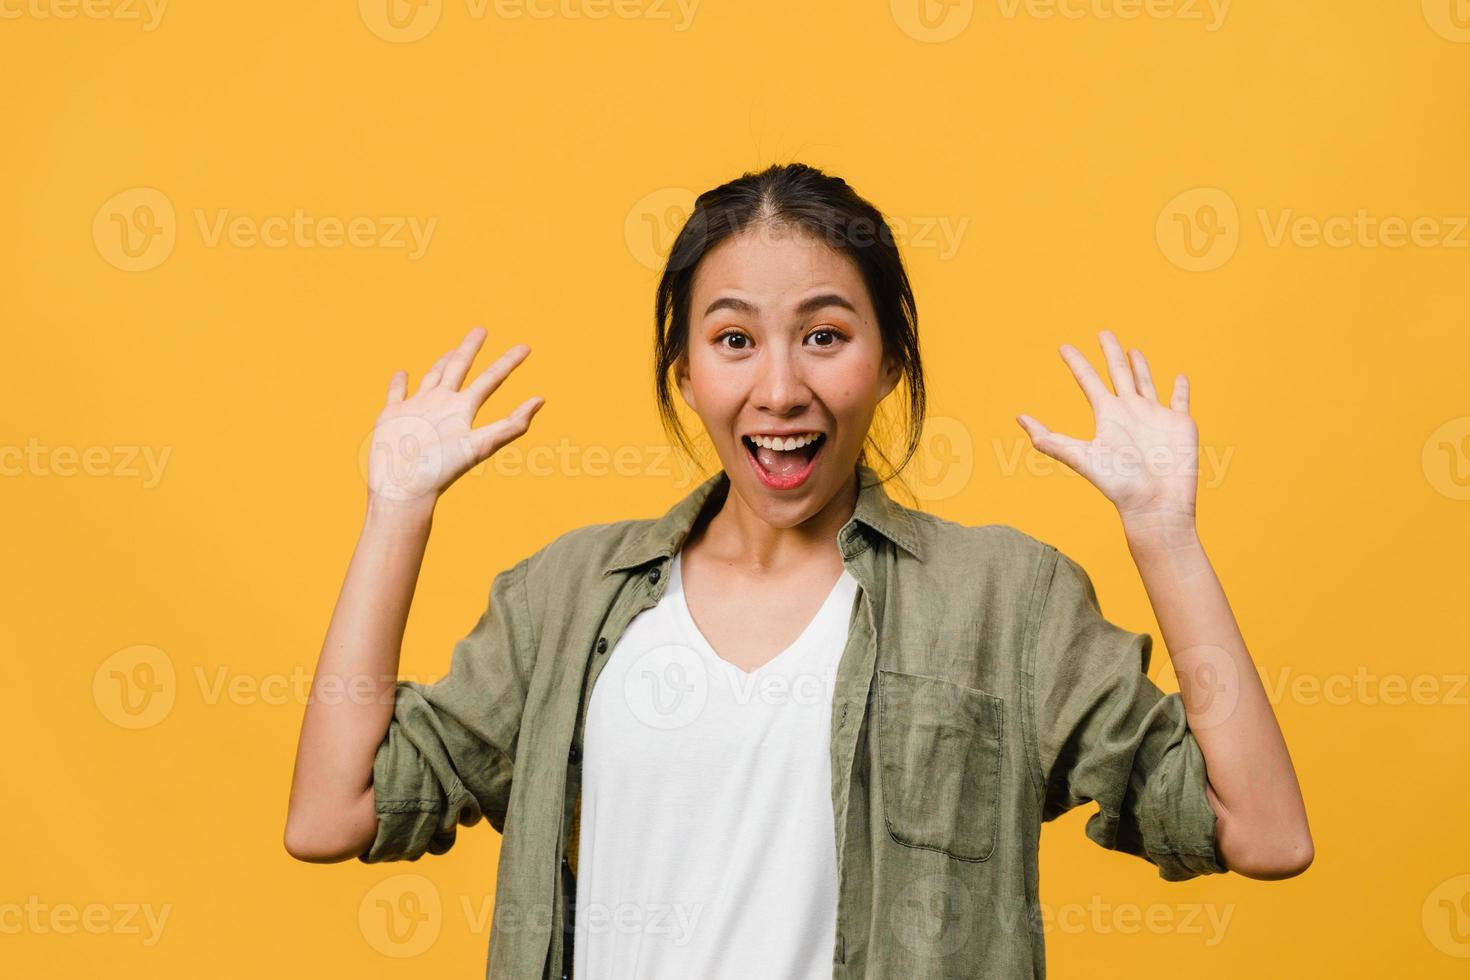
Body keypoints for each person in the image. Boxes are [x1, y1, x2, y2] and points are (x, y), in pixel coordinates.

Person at [284, 163, 1313, 979]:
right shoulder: (567, 597)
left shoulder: (1006, 599)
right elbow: (334, 811)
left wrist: (1164, 535)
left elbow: (1261, 830)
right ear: (685, 369)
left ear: (891, 359)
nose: (780, 387)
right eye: (734, 338)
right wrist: (395, 511)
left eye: (825, 335)